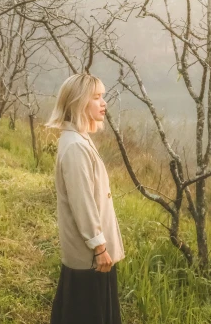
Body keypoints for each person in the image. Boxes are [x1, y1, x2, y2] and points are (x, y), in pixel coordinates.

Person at [47, 73, 125, 324]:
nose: (103, 103)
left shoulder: (78, 139)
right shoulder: (76, 147)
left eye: (102, 96)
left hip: (90, 254)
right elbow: (83, 204)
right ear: (80, 102)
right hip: (89, 256)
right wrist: (100, 247)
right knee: (88, 313)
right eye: (96, 97)